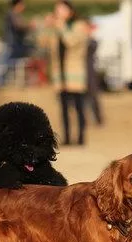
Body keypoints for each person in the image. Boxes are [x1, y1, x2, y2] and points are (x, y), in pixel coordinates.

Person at [43, 1, 88, 145]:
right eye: (57, 10)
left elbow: (71, 41)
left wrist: (60, 26)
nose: (58, 12)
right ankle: (67, 138)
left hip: (74, 72)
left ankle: (80, 137)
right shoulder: (56, 28)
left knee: (78, 106)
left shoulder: (79, 25)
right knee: (63, 108)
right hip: (59, 73)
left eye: (61, 9)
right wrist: (47, 27)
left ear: (70, 10)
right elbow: (42, 43)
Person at [81, 17, 103, 126]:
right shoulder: (81, 40)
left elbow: (92, 47)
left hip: (90, 71)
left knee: (93, 96)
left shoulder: (92, 41)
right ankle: (83, 119)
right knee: (82, 98)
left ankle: (98, 119)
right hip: (81, 71)